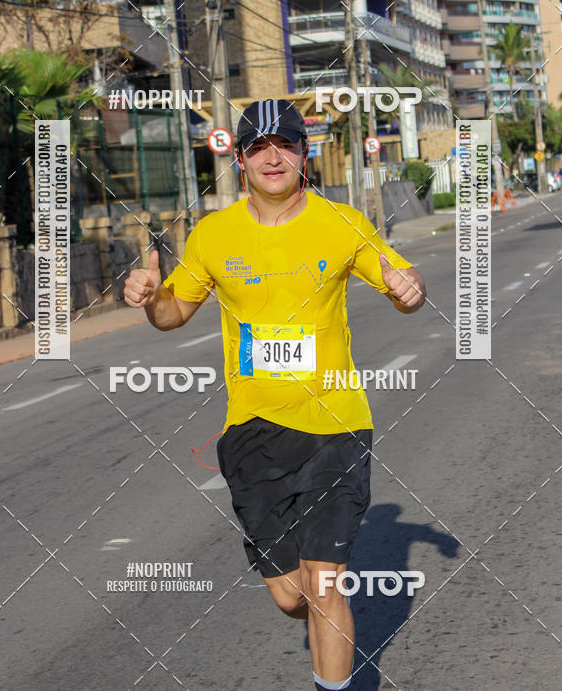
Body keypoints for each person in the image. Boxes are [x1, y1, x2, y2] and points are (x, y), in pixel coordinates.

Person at [124, 98, 426, 691]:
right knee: (292, 597)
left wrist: (407, 288)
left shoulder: (342, 223)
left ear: (303, 154)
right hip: (253, 431)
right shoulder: (214, 235)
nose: (272, 156)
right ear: (240, 159)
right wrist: (150, 298)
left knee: (324, 587)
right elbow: (174, 313)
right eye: (258, 146)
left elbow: (402, 281)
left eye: (285, 143)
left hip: (336, 424)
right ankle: (311, 618)